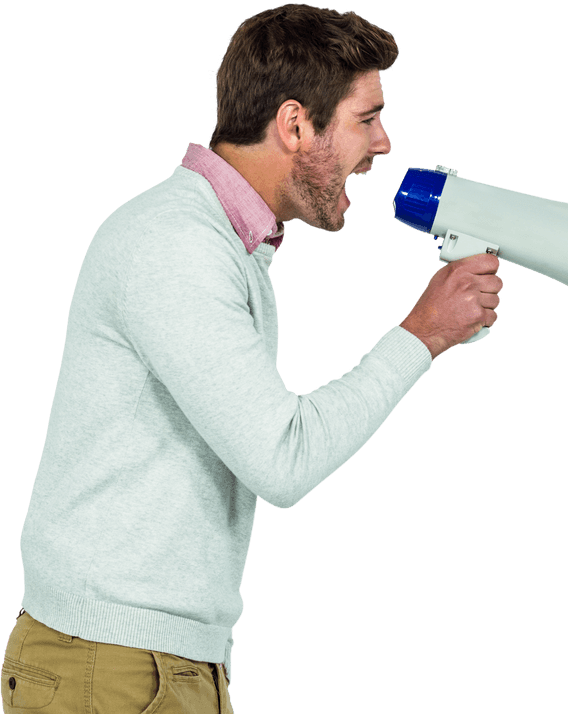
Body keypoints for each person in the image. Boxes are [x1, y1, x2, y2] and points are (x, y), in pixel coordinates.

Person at [1, 5, 502, 713]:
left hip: (150, 667)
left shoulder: (226, 248)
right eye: (367, 119)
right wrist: (422, 334)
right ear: (295, 125)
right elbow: (281, 459)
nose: (385, 144)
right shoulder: (174, 244)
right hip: (112, 671)